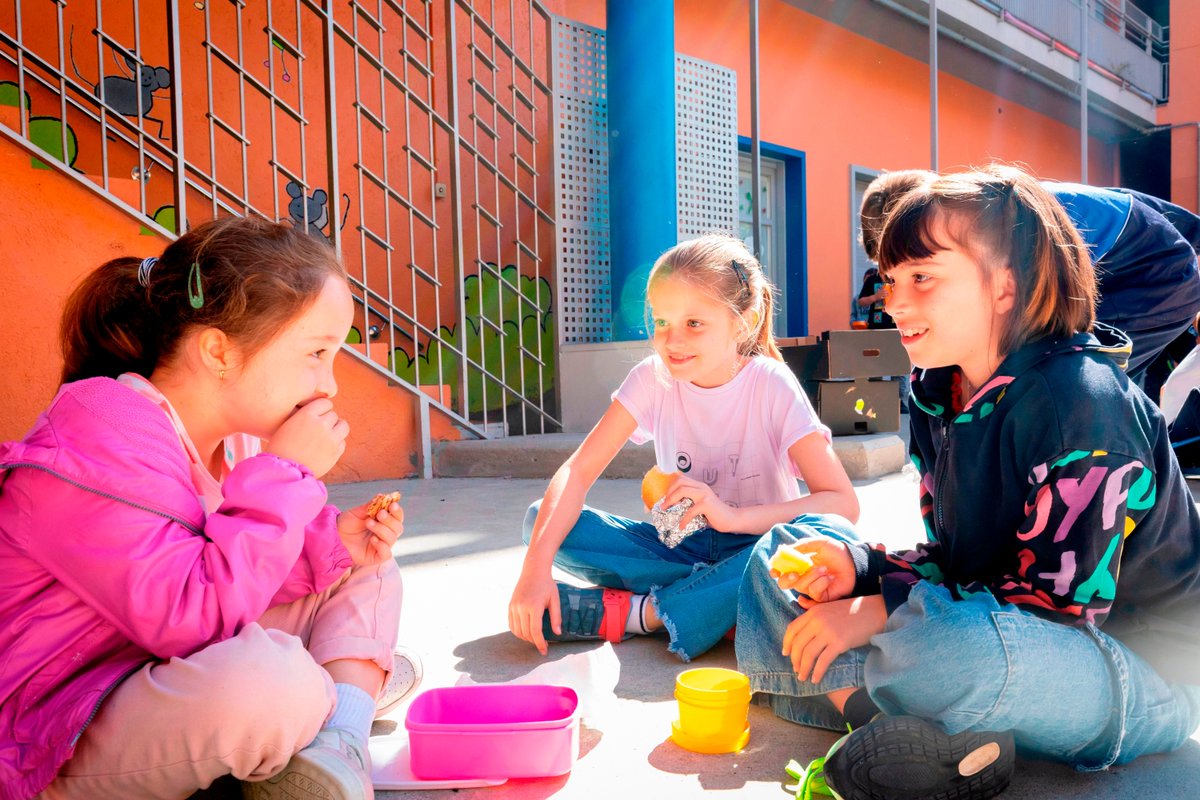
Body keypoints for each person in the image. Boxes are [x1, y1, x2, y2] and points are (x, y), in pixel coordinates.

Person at [736, 166, 1200, 800]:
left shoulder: (1084, 407)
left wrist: (877, 609)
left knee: (956, 649)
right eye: (892, 280)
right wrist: (856, 567)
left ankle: (859, 695)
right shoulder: (937, 392)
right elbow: (956, 564)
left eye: (922, 278)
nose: (894, 302)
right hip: (997, 627)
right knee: (781, 550)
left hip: (1126, 667)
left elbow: (1057, 612)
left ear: (1005, 285)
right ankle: (905, 734)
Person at [0, 216, 422, 800]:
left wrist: (330, 549)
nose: (329, 386)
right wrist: (286, 474)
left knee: (364, 565)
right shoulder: (101, 433)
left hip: (145, 668)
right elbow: (189, 620)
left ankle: (341, 742)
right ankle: (335, 689)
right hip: (53, 728)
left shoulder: (234, 439)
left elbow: (234, 578)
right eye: (316, 353)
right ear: (219, 351)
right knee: (272, 683)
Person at [507, 233, 860, 662]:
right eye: (661, 322)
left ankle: (646, 613)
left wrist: (732, 518)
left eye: (694, 323)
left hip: (756, 548)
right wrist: (534, 571)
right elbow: (577, 472)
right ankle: (720, 605)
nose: (672, 342)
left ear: (742, 322)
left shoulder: (770, 384)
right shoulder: (651, 379)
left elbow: (842, 505)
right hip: (677, 549)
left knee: (822, 538)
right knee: (538, 523)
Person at [858, 169, 1200, 387]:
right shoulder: (995, 207)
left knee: (1073, 374)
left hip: (1157, 277)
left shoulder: (1013, 214)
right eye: (891, 277)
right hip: (1138, 257)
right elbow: (1141, 205)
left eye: (919, 272)